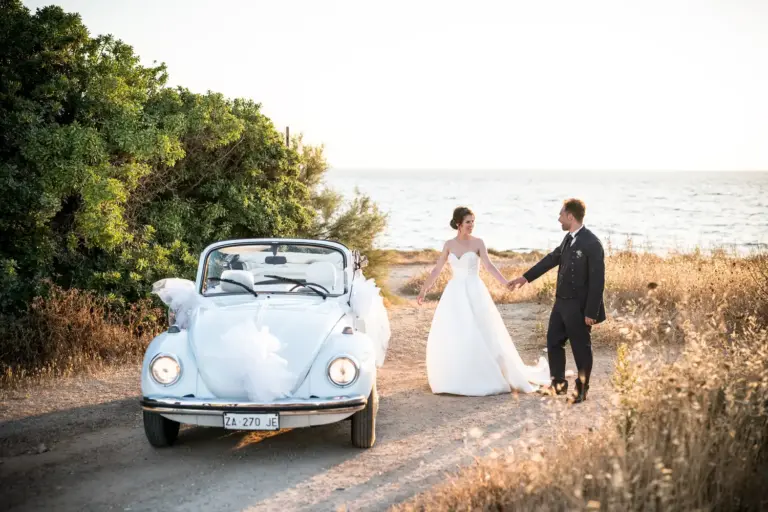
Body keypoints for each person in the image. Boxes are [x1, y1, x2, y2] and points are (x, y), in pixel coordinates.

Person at [417, 207, 550, 396]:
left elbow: (488, 266)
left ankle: (488, 373)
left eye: (473, 222)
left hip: (474, 290)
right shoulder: (449, 244)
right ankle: (457, 374)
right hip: (455, 292)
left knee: (481, 330)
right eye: (468, 222)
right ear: (458, 224)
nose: (471, 225)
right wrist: (424, 289)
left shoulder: (479, 243)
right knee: (456, 331)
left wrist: (505, 283)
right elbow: (437, 269)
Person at [508, 198, 606, 403]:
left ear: (570, 216)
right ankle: (558, 385)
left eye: (561, 215)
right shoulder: (569, 239)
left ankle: (582, 389)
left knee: (581, 347)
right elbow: (552, 259)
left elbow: (598, 281)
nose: (559, 218)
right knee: (553, 342)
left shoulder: (592, 243)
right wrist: (525, 278)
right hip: (561, 303)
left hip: (579, 307)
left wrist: (591, 312)